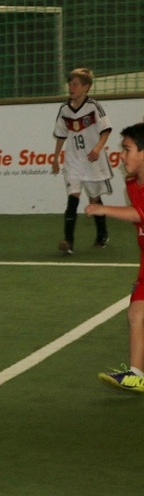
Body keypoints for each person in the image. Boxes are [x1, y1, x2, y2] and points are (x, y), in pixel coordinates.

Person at [88, 123, 144, 392]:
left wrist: (103, 209)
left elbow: (139, 214)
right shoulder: (132, 183)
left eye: (127, 149)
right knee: (136, 314)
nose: (121, 156)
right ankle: (136, 375)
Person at [50, 67, 113, 255]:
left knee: (94, 199)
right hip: (73, 161)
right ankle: (68, 242)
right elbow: (61, 135)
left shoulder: (93, 106)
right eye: (69, 84)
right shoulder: (64, 109)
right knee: (73, 198)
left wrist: (97, 148)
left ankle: (102, 234)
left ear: (86, 87)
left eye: (75, 84)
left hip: (91, 161)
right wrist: (55, 158)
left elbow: (106, 130)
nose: (71, 87)